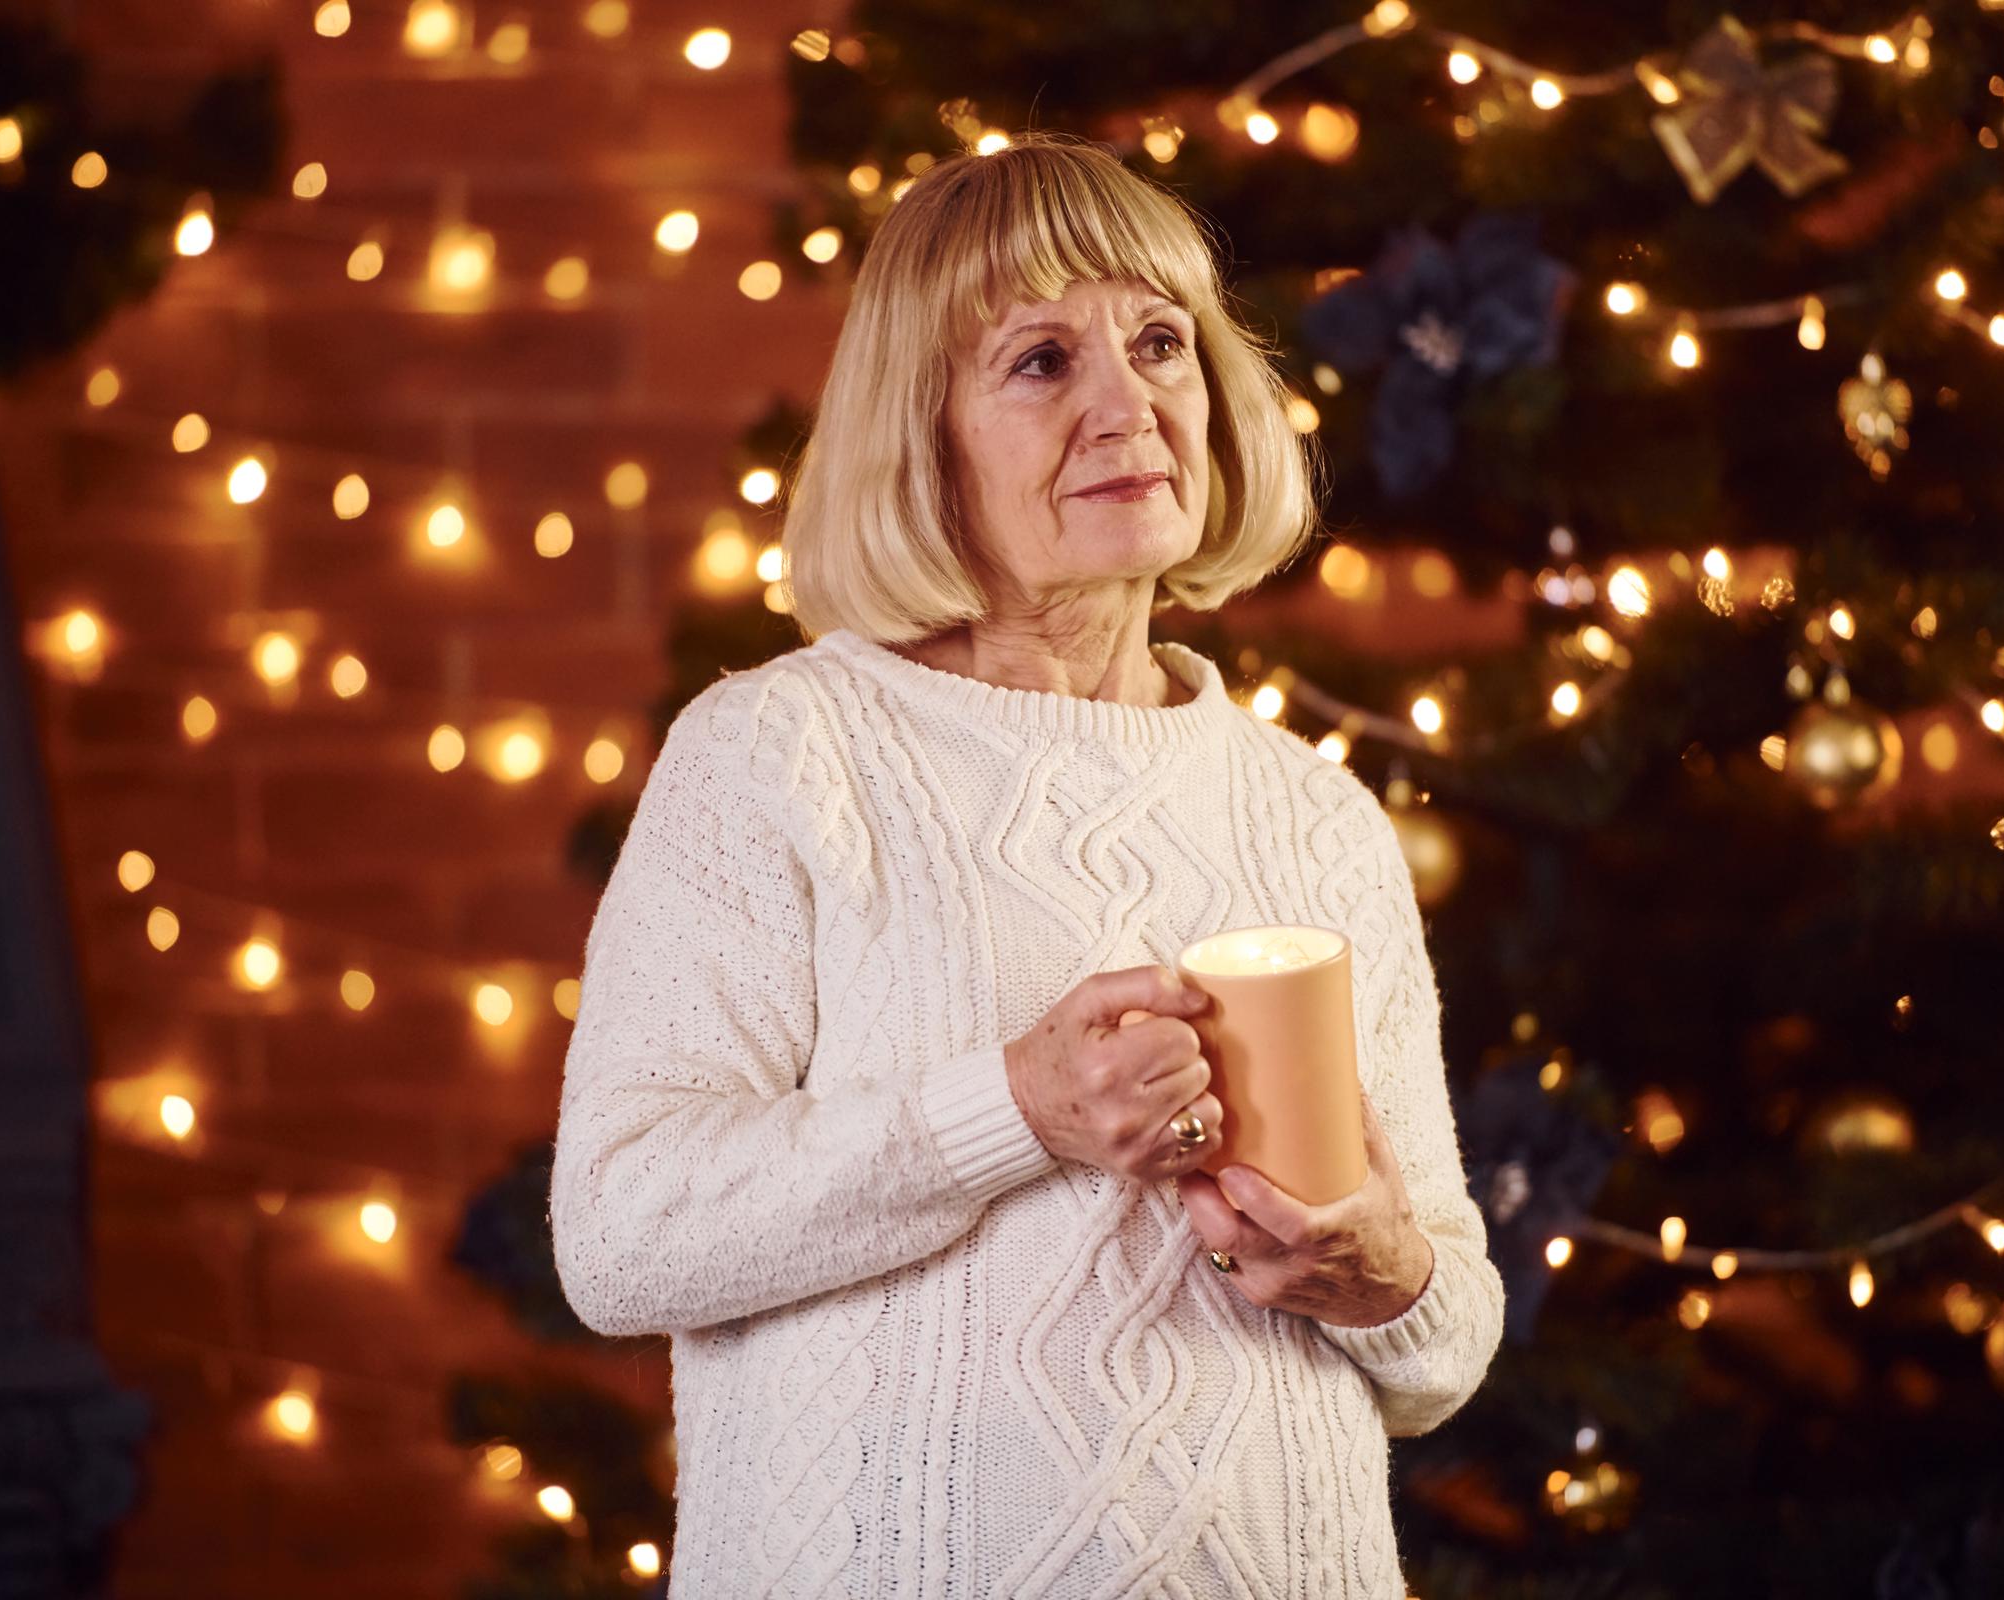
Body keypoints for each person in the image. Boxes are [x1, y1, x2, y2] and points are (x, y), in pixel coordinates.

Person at [549, 129, 1504, 1598]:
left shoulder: (1314, 818)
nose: (1131, 406)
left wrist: (1386, 1273)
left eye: (1162, 343)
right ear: (921, 433)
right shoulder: (780, 755)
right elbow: (622, 1234)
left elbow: (1442, 1339)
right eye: (1043, 361)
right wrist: (1012, 1109)